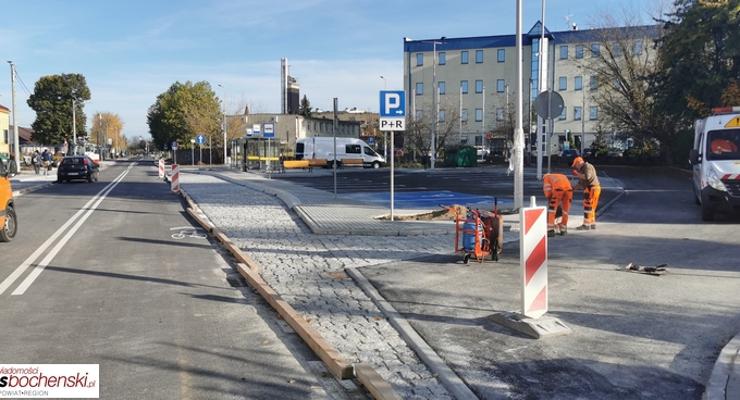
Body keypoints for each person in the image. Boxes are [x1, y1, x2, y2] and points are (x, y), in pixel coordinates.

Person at [571, 156, 601, 230]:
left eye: (575, 166)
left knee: (587, 207)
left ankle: (586, 225)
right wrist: (573, 189)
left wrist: (577, 174)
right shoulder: (583, 169)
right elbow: (581, 183)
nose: (576, 168)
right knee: (591, 207)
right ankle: (592, 223)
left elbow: (588, 177)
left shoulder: (587, 166)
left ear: (578, 163)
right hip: (593, 188)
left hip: (592, 188)